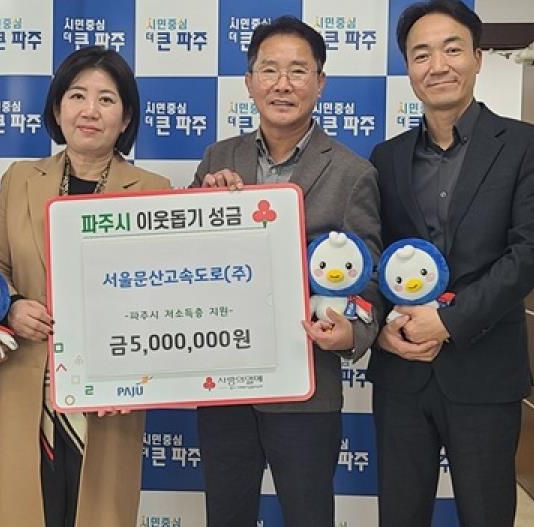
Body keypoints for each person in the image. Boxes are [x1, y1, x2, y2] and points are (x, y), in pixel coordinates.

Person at [190, 16, 382, 527]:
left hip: (305, 386)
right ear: (249, 81)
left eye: (298, 71)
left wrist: (352, 332)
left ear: (320, 82)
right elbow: (187, 255)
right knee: (225, 514)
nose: (282, 84)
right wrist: (201, 203)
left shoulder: (352, 172)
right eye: (269, 70)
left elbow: (366, 278)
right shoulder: (218, 158)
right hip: (225, 380)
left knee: (308, 513)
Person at [0, 46, 171, 527]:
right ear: (57, 107)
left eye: (106, 100)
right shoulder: (20, 179)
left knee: (97, 511)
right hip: (27, 377)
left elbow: (162, 293)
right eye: (77, 95)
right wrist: (12, 305)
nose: (90, 110)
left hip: (111, 389)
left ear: (126, 118)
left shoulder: (154, 189)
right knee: (25, 508)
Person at [368, 1, 534, 526]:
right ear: (408, 69)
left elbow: (527, 252)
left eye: (452, 49)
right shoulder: (386, 158)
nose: (437, 65)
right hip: (402, 370)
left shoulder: (523, 146)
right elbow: (373, 257)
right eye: (421, 54)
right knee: (400, 515)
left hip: (485, 371)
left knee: (487, 514)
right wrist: (380, 329)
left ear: (478, 58)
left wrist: (448, 320)